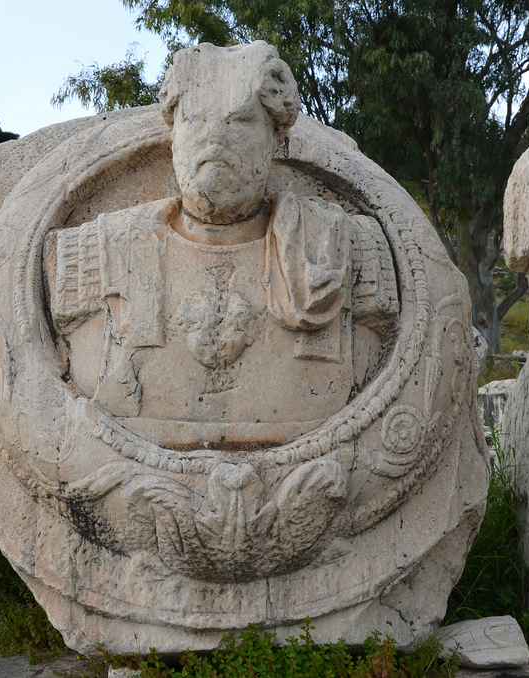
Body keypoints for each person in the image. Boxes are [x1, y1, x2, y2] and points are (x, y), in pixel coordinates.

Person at [44, 42, 397, 447]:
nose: (215, 138)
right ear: (173, 138)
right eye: (195, 120)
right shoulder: (93, 250)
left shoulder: (345, 246)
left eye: (241, 121)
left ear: (275, 139)